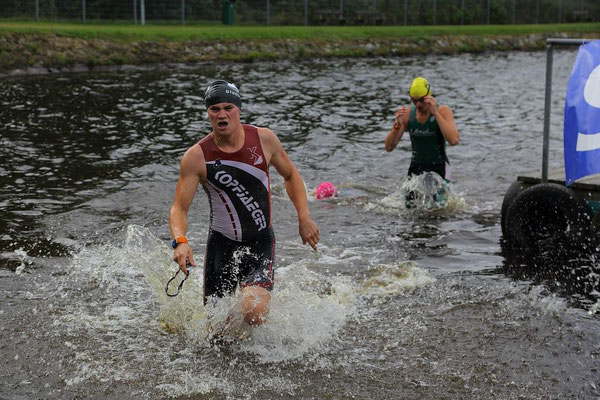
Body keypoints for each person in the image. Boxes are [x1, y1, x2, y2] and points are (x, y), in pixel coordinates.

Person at [169, 80, 319, 328]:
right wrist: (180, 242)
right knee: (217, 332)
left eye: (228, 107)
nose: (222, 114)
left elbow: (290, 175)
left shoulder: (264, 140)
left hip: (260, 242)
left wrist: (304, 217)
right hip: (221, 247)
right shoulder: (196, 157)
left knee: (253, 311)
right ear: (208, 113)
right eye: (214, 109)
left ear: (239, 109)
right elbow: (178, 208)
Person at [384, 77, 459, 180]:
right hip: (416, 166)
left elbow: (454, 140)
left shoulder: (443, 111)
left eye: (421, 100)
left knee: (438, 196)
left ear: (429, 96)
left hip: (440, 166)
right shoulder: (408, 115)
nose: (418, 104)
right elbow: (388, 148)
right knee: (408, 196)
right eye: (414, 100)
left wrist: (436, 113)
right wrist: (396, 126)